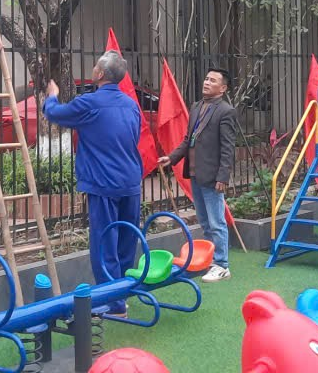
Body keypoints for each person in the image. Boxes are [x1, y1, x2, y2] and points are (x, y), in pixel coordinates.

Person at [42, 51, 143, 317]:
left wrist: (51, 96)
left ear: (99, 74)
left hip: (103, 182)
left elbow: (55, 113)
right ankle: (121, 294)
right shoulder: (131, 104)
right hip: (131, 180)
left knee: (104, 242)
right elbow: (134, 136)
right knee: (126, 241)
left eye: (96, 65)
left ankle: (114, 304)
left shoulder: (90, 102)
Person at [157, 68, 236, 282]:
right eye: (207, 78)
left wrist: (223, 177)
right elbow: (188, 140)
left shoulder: (225, 111)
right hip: (195, 173)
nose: (207, 82)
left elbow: (228, 147)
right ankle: (211, 260)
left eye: (213, 80)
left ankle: (222, 265)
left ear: (223, 88)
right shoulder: (196, 107)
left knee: (216, 222)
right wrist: (171, 158)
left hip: (212, 176)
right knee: (205, 221)